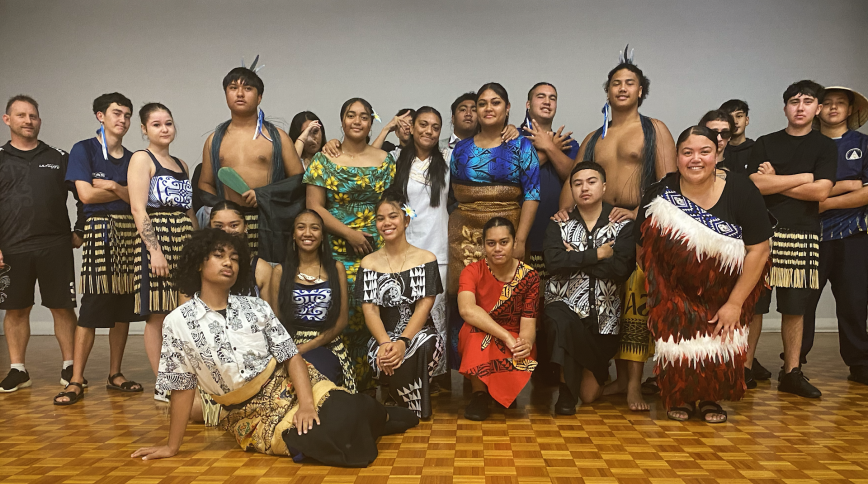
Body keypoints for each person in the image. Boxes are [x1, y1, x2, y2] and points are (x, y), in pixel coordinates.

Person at [131, 229, 419, 467]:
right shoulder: (177, 322)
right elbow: (182, 387)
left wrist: (306, 404)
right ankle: (371, 420)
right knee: (321, 442)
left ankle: (376, 415)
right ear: (198, 263)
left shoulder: (255, 307)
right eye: (219, 256)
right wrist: (171, 446)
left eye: (234, 258)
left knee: (343, 409)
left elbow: (291, 356)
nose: (228, 263)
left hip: (289, 382)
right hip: (248, 412)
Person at [557, 49, 676, 411]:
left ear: (641, 91)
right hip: (597, 229)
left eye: (630, 83)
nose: (622, 88)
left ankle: (635, 387)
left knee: (635, 305)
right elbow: (575, 180)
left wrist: (638, 214)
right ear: (607, 91)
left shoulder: (654, 129)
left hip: (641, 227)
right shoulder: (596, 136)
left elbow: (668, 184)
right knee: (603, 304)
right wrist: (562, 216)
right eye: (615, 83)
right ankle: (616, 379)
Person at [638, 126, 772, 422]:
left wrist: (735, 303)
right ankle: (680, 396)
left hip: (727, 289)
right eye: (687, 152)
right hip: (673, 291)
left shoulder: (741, 190)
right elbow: (642, 246)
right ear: (677, 157)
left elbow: (759, 251)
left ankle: (711, 397)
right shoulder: (660, 193)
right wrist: (662, 291)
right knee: (679, 346)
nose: (695, 159)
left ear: (717, 155)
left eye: (704, 152)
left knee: (718, 345)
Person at [747, 80, 837, 399]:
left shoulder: (825, 147)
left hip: (803, 232)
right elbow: (754, 184)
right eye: (794, 101)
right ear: (784, 107)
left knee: (796, 308)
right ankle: (744, 369)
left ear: (818, 108)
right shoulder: (765, 142)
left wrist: (775, 181)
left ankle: (791, 372)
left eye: (807, 101)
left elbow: (822, 191)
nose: (800, 107)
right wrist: (803, 178)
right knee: (753, 305)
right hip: (762, 234)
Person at [54, 93, 144, 405]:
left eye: (128, 115)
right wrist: (123, 193)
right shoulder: (84, 149)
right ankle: (76, 380)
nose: (123, 120)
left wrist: (115, 187)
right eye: (116, 113)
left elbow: (138, 200)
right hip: (99, 232)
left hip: (130, 234)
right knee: (91, 309)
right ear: (100, 116)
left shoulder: (134, 158)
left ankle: (115, 374)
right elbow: (87, 196)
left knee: (123, 311)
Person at [304, 97, 396, 393]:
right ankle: (340, 387)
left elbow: (391, 207)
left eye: (364, 116)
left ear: (371, 122)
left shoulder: (385, 161)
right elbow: (314, 207)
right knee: (340, 313)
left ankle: (378, 384)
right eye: (351, 115)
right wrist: (349, 234)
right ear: (341, 120)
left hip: (378, 249)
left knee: (379, 313)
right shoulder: (324, 159)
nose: (357, 121)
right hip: (336, 249)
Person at [0, 95, 83, 393]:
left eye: (33, 116)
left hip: (56, 246)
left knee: (62, 307)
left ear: (39, 120)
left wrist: (81, 230)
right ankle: (18, 369)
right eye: (21, 115)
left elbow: (83, 195)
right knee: (16, 309)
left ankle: (71, 366)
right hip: (12, 248)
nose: (28, 121)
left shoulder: (58, 157)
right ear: (7, 120)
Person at [543, 161, 635, 415]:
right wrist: (598, 255)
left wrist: (575, 258)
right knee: (561, 321)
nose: (584, 188)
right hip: (564, 308)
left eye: (591, 182)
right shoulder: (558, 224)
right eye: (577, 183)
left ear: (604, 187)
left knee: (590, 396)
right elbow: (553, 264)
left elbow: (620, 270)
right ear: (571, 189)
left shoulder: (623, 225)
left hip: (603, 321)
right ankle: (565, 393)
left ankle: (583, 378)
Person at [198, 64, 305, 260]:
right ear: (225, 94)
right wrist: (224, 211)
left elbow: (298, 181)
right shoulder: (214, 140)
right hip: (228, 226)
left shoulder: (277, 137)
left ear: (259, 97)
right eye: (233, 88)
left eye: (247, 88)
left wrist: (264, 195)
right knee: (229, 279)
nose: (240, 93)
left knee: (267, 282)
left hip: (267, 224)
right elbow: (205, 185)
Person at [128, 103, 197, 401]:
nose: (164, 129)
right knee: (158, 314)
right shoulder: (141, 159)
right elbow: (137, 208)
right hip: (157, 238)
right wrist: (154, 251)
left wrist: (198, 245)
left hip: (184, 239)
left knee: (184, 312)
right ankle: (163, 382)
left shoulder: (181, 163)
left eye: (168, 123)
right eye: (156, 124)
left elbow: (189, 210)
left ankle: (186, 374)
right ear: (144, 129)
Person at [801, 86, 868, 385]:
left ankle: (859, 363)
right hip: (808, 233)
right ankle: (793, 362)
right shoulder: (804, 145)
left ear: (851, 109)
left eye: (840, 103)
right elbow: (795, 191)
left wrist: (825, 202)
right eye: (826, 103)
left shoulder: (863, 145)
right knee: (801, 302)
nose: (833, 108)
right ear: (817, 109)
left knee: (854, 301)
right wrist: (848, 186)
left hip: (854, 235)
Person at [357, 191, 443, 418]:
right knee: (381, 355)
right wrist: (385, 342)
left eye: (392, 216)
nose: (386, 223)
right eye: (380, 218)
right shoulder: (369, 263)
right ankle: (396, 396)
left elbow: (425, 306)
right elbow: (370, 310)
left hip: (419, 334)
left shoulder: (427, 259)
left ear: (406, 220)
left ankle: (401, 400)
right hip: (383, 336)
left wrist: (404, 341)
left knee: (425, 346)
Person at [457, 217, 539, 421]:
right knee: (474, 333)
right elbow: (467, 310)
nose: (497, 249)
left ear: (514, 244)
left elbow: (528, 323)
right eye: (491, 243)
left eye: (504, 242)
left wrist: (525, 342)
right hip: (483, 331)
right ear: (483, 246)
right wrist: (505, 336)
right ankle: (479, 395)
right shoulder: (472, 271)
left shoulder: (529, 277)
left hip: (514, 335)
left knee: (520, 351)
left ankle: (502, 389)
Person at [390, 107, 450, 382]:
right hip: (405, 250)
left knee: (436, 318)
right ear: (412, 128)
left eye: (435, 127)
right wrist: (388, 127)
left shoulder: (448, 160)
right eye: (422, 125)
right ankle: (405, 375)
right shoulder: (395, 160)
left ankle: (434, 377)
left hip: (438, 251)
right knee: (406, 316)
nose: (428, 131)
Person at [274, 209, 355, 392]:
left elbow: (342, 321)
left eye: (315, 228)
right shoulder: (280, 271)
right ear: (294, 235)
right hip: (290, 344)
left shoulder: (336, 269)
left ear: (322, 235)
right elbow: (275, 321)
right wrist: (291, 349)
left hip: (328, 343)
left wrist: (307, 346)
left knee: (317, 376)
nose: (308, 233)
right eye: (301, 227)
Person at [519, 82, 580, 288]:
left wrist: (550, 147)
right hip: (519, 236)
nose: (547, 102)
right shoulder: (512, 138)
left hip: (556, 238)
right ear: (528, 103)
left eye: (552, 98)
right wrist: (551, 149)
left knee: (551, 305)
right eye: (540, 96)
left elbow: (575, 177)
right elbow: (515, 177)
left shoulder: (568, 142)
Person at [209, 200, 277, 310]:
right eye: (219, 226)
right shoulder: (199, 264)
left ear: (245, 227)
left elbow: (270, 318)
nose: (226, 231)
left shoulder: (261, 269)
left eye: (234, 225)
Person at [439, 92, 520, 163]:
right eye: (463, 110)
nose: (468, 114)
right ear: (453, 118)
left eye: (474, 110)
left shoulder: (495, 144)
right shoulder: (437, 146)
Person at [720, 99, 755, 174]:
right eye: (730, 117)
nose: (735, 121)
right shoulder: (719, 150)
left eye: (739, 116)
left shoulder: (757, 149)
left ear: (747, 120)